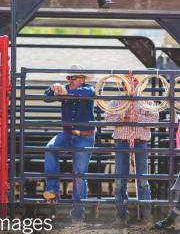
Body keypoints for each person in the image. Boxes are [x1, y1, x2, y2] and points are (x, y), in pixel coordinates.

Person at [42, 64, 96, 222]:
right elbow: (46, 97)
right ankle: (52, 189)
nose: (70, 80)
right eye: (68, 77)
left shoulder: (88, 89)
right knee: (50, 148)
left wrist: (65, 91)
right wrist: (54, 88)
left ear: (82, 79)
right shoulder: (66, 89)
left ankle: (78, 214)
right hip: (68, 134)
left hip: (84, 136)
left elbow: (86, 93)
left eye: (74, 77)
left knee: (79, 175)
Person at [105, 75, 158, 225]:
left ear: (139, 83)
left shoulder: (146, 101)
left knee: (142, 181)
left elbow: (154, 120)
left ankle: (145, 217)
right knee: (120, 181)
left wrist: (133, 117)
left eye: (134, 80)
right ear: (123, 84)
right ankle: (121, 216)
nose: (131, 83)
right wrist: (125, 117)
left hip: (140, 143)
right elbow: (109, 121)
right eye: (128, 81)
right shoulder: (116, 101)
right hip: (121, 142)